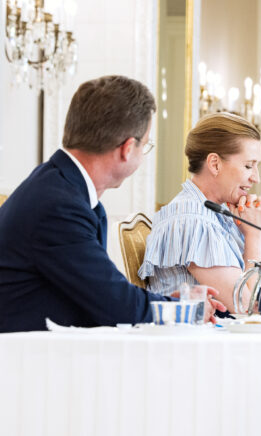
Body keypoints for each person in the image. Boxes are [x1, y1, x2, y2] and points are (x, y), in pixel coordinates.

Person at [0, 75, 225, 333]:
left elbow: (99, 293)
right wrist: (185, 311)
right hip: (25, 360)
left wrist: (166, 302)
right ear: (128, 148)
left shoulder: (60, 186)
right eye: (146, 145)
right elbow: (114, 304)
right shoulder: (59, 205)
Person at [139, 112, 261, 313]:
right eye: (248, 166)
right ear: (215, 164)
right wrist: (254, 235)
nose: (256, 178)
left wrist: (258, 230)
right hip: (192, 341)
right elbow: (250, 308)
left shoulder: (222, 213)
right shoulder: (191, 219)